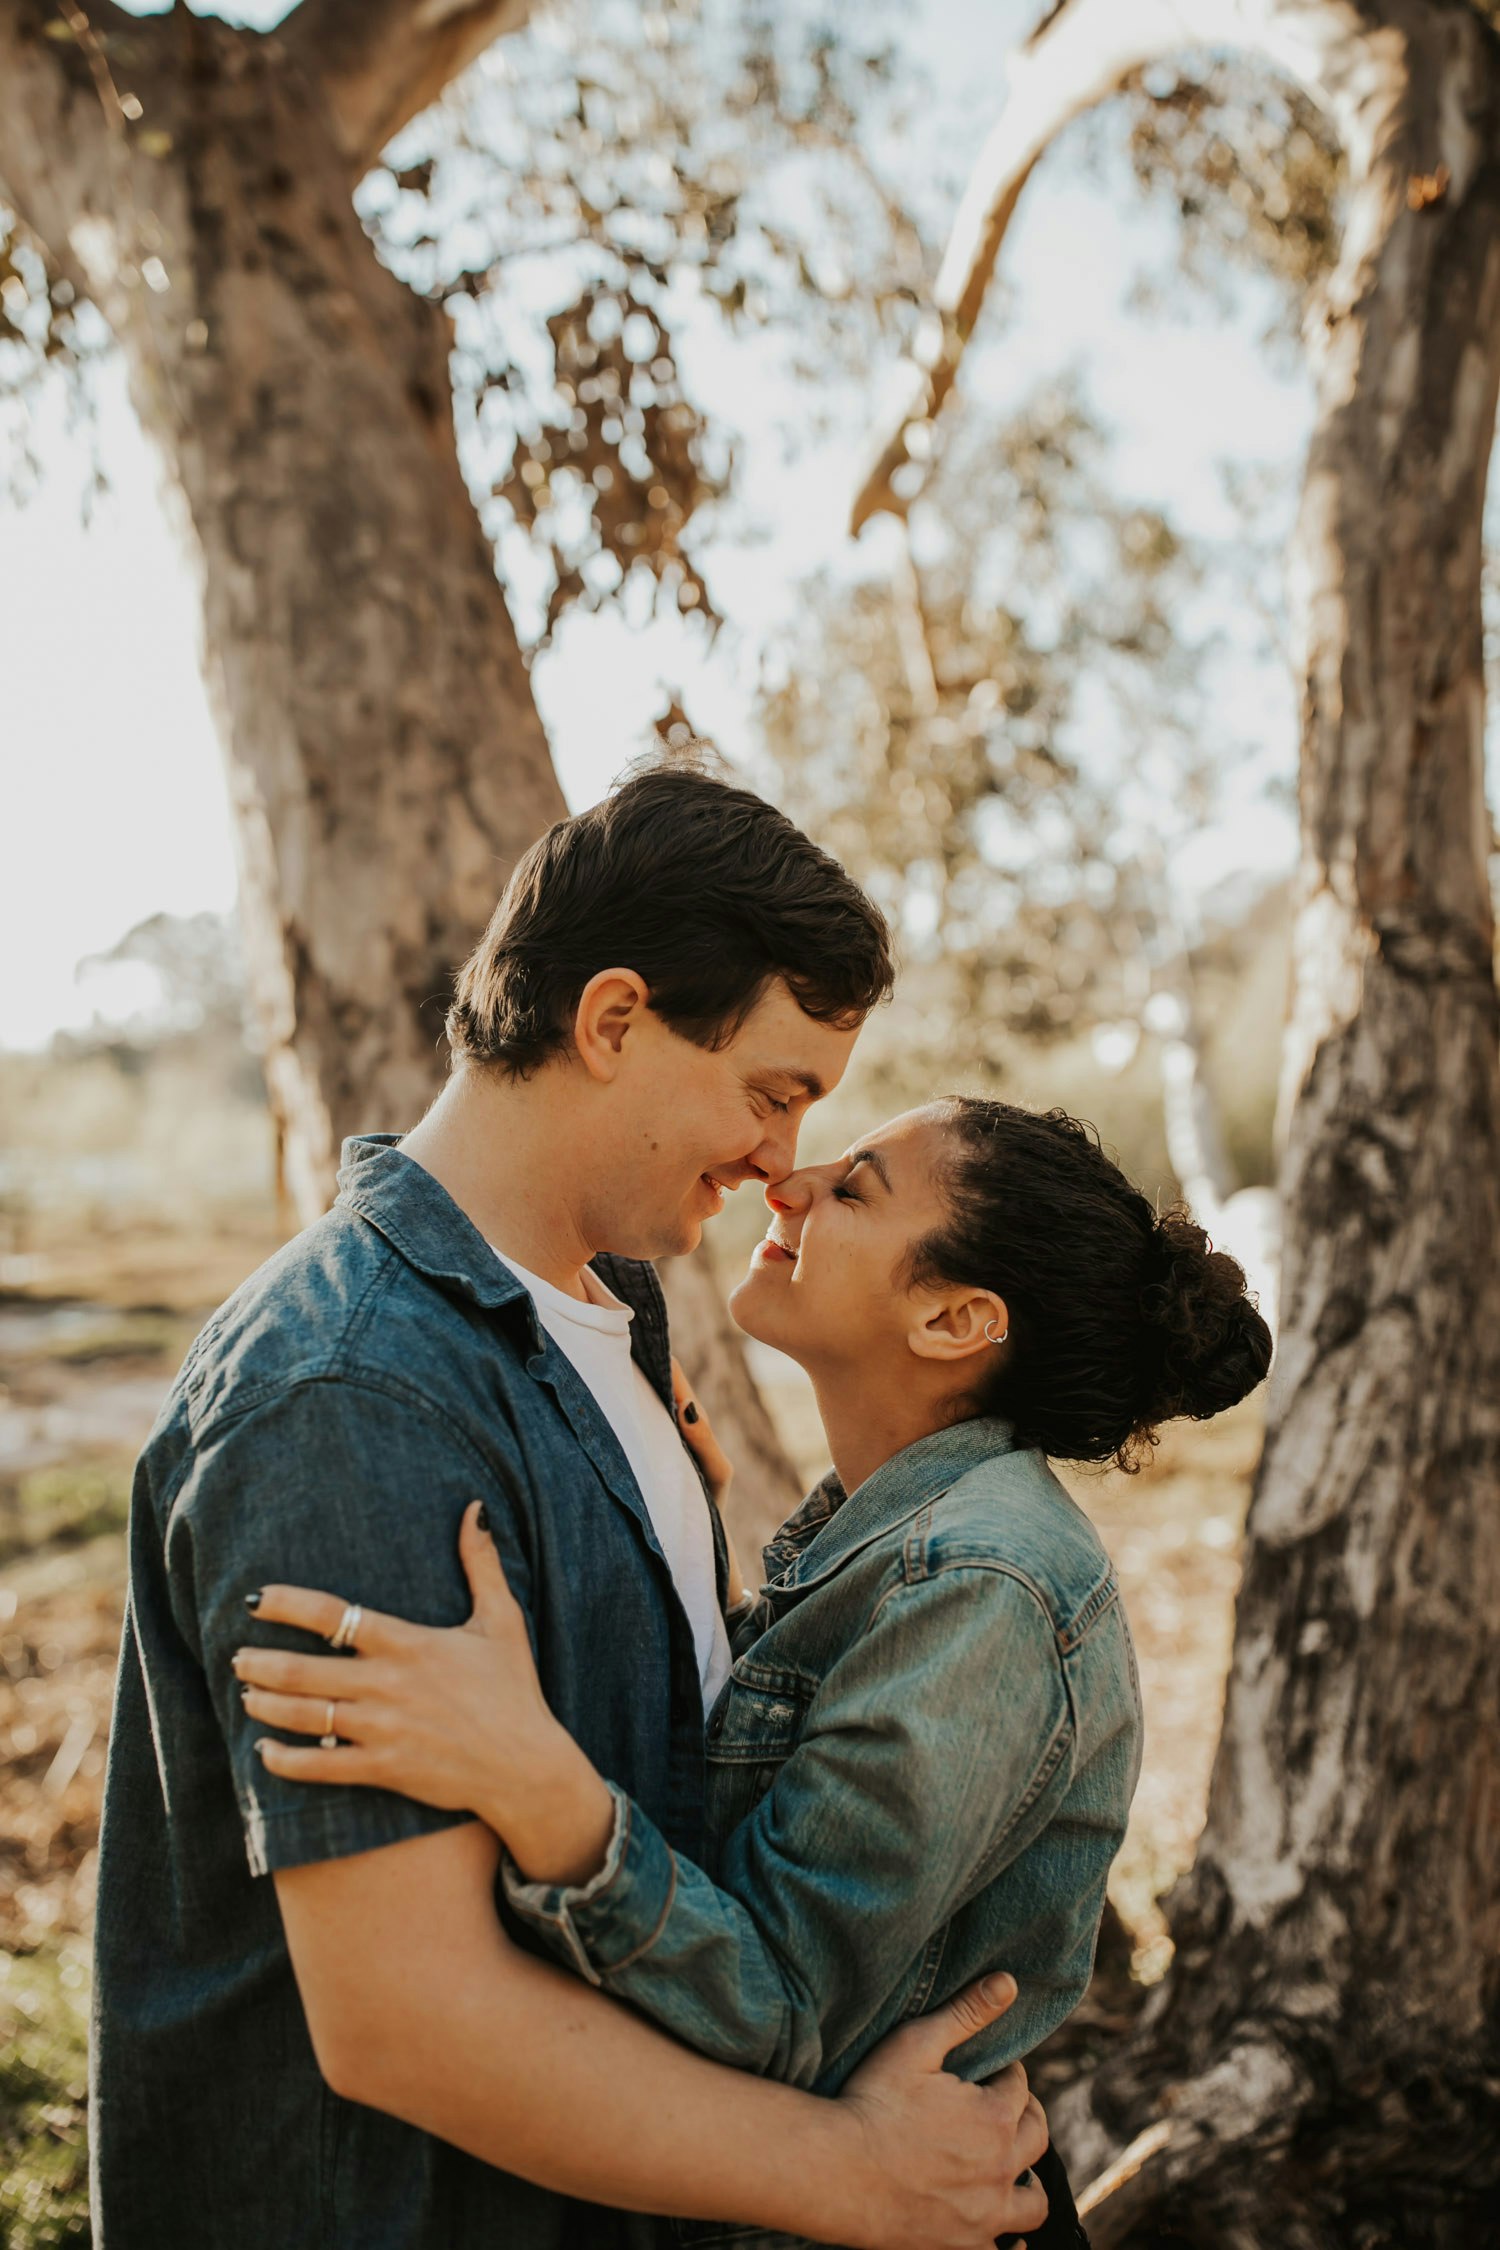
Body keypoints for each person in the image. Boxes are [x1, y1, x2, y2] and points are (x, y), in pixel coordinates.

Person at [89, 762, 1052, 2250]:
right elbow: (405, 2021)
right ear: (612, 1020)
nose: (782, 1162)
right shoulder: (349, 1399)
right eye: (770, 1092)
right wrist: (853, 2173)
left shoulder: (614, 1311)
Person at [230, 1099, 1275, 2250]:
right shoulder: (904, 1541)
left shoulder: (983, 1588)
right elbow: (775, 1784)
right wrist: (679, 1545)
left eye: (857, 1187)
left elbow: (776, 2000)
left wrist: (534, 1783)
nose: (790, 1182)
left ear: (954, 1317)